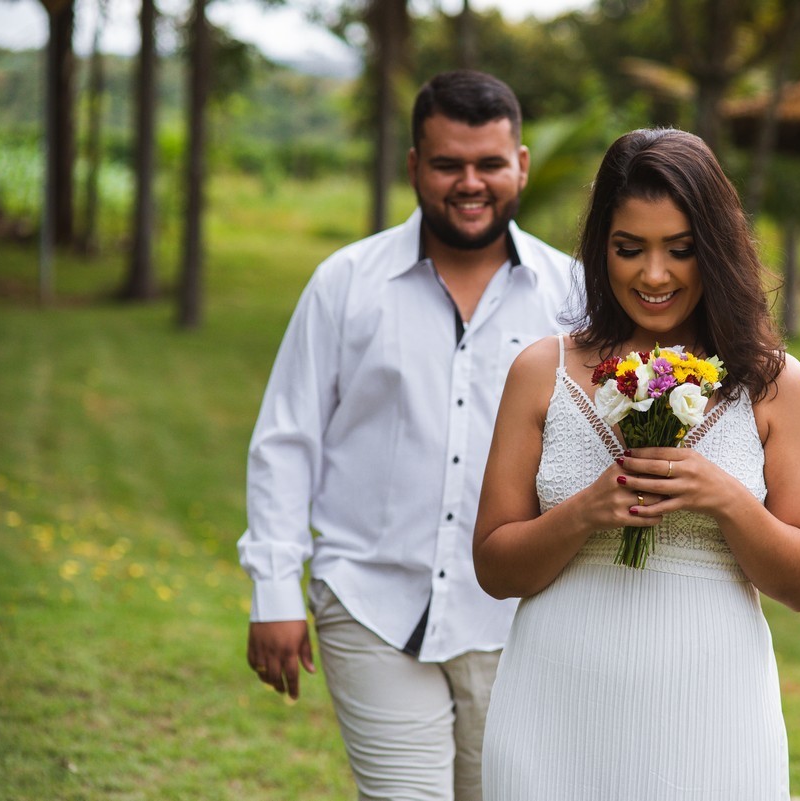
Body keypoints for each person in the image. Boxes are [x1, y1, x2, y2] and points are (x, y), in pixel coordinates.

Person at [237, 70, 578, 801]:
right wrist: (274, 590)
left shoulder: (571, 298)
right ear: (415, 165)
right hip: (369, 600)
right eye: (449, 163)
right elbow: (285, 439)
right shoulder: (346, 282)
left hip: (517, 620)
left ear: (519, 164)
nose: (470, 182)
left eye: (489, 163)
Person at [473, 128, 800, 800]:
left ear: (716, 251)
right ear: (600, 247)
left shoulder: (775, 384)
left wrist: (723, 497)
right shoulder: (540, 372)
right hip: (555, 705)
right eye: (629, 248)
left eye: (681, 249)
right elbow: (493, 566)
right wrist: (585, 511)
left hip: (713, 714)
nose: (654, 274)